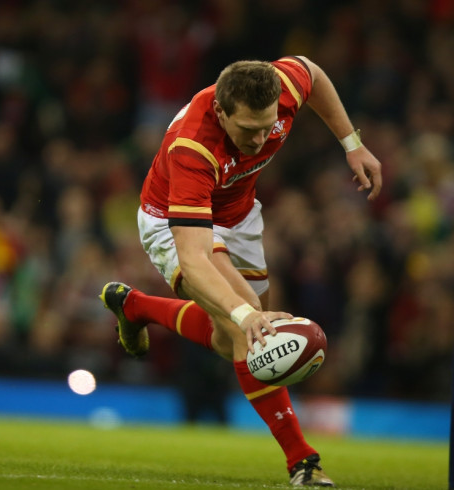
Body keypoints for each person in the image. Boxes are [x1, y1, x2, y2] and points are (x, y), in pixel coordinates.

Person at [100, 56, 382, 487]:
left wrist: (352, 144)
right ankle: (302, 461)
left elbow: (314, 72)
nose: (260, 139)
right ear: (221, 112)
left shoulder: (282, 86)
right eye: (248, 129)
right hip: (173, 220)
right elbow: (194, 259)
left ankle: (135, 306)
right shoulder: (193, 147)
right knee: (247, 329)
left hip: (238, 214)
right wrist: (245, 314)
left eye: (267, 127)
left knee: (229, 337)